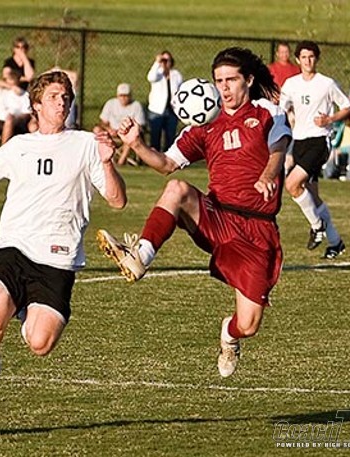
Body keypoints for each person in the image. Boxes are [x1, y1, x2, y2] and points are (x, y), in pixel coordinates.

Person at [97, 47, 291, 379]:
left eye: (231, 80)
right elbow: (166, 164)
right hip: (217, 217)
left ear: (248, 80)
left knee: (248, 324)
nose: (224, 87)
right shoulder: (204, 124)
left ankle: (229, 335)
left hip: (257, 230)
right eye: (219, 81)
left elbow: (279, 147)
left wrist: (268, 175)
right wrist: (137, 143)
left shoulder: (266, 113)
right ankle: (140, 255)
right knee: (177, 189)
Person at [0, 70, 126, 434]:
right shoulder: (19, 145)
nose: (61, 103)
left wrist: (108, 161)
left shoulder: (86, 144)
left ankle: (25, 309)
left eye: (66, 97)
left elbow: (116, 200)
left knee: (40, 344)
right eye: (53, 97)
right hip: (11, 250)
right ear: (36, 104)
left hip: (57, 260)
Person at [280, 40, 350, 260]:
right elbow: (281, 108)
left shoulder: (326, 83)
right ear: (297, 59)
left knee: (292, 184)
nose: (307, 61)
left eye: (311, 57)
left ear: (317, 59)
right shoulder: (291, 84)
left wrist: (329, 119)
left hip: (319, 141)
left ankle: (317, 226)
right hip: (299, 142)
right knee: (312, 197)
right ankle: (335, 242)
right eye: (303, 57)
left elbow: (347, 107)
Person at [0, 66, 35, 155]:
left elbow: (26, 114)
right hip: (0, 121)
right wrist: (11, 87)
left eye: (12, 80)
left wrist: (15, 118)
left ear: (18, 80)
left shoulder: (24, 95)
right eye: (7, 80)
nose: (8, 82)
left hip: (16, 122)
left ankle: (3, 150)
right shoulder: (2, 92)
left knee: (9, 119)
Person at [93, 83, 146, 165]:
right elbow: (103, 122)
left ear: (130, 96)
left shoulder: (136, 106)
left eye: (126, 95)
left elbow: (140, 125)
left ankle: (120, 162)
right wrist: (109, 129)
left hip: (127, 133)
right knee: (96, 130)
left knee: (130, 137)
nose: (123, 98)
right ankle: (99, 158)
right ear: (117, 96)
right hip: (112, 132)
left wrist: (125, 131)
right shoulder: (110, 103)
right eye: (121, 95)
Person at [146, 51, 183, 152]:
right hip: (157, 110)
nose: (166, 63)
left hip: (172, 110)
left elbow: (180, 90)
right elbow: (150, 77)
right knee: (155, 137)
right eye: (163, 60)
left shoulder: (176, 75)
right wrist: (157, 63)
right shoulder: (158, 73)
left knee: (170, 138)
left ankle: (168, 157)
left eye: (168, 60)